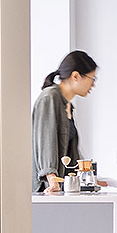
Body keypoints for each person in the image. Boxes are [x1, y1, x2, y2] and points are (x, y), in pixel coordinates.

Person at [33, 51, 97, 193]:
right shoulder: (49, 98)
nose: (93, 85)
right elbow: (45, 142)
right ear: (75, 76)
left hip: (61, 188)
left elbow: (71, 152)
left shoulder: (67, 105)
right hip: (46, 188)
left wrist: (90, 178)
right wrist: (52, 179)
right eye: (92, 78)